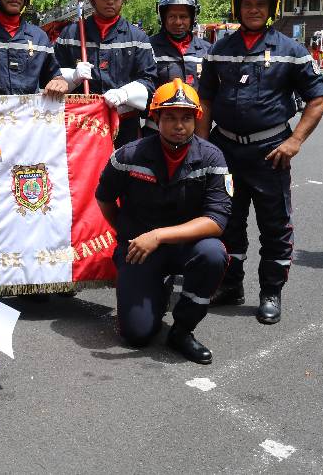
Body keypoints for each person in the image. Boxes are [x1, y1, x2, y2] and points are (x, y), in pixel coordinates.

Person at [196, 0, 323, 324]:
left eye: (260, 4)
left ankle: (271, 291)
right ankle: (230, 285)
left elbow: (318, 99)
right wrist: (203, 146)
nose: (253, 9)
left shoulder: (292, 51)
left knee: (275, 226)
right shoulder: (219, 50)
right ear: (237, 8)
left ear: (272, 8)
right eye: (247, 3)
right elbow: (205, 99)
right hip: (225, 150)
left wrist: (294, 141)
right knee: (227, 222)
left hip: (270, 152)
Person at [95, 80, 230, 363]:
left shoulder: (212, 157)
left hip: (185, 246)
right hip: (139, 249)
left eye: (186, 118)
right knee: (137, 335)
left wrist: (157, 236)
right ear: (155, 118)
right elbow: (104, 199)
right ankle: (157, 290)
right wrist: (126, 235)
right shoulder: (127, 155)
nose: (178, 125)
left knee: (214, 253)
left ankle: (183, 329)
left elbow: (216, 220)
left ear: (196, 119)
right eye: (169, 117)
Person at [54, 0, 157, 146]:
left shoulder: (138, 38)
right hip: (80, 125)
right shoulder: (70, 34)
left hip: (125, 126)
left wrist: (125, 94)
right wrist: (73, 77)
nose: (110, 1)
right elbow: (51, 76)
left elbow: (149, 81)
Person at [145, 0, 211, 134]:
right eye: (172, 17)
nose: (178, 22)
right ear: (163, 17)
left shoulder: (207, 50)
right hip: (156, 131)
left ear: (192, 18)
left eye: (183, 17)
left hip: (195, 131)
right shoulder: (147, 48)